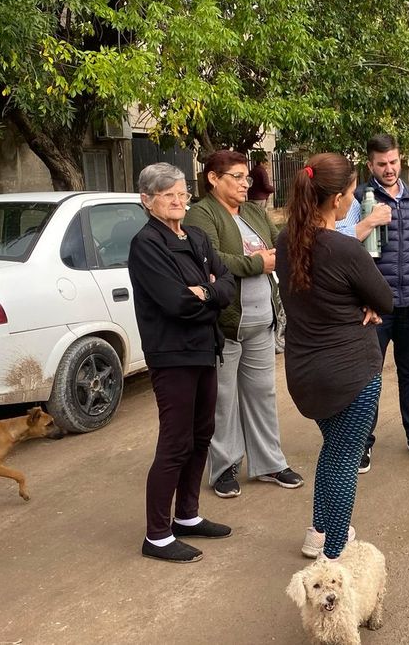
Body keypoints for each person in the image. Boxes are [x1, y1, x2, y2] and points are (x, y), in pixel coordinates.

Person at [275, 153, 393, 560]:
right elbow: (385, 299)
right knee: (344, 459)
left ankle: (319, 532)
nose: (354, 199)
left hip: (305, 373)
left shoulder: (286, 242)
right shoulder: (345, 248)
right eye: (352, 192)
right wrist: (367, 303)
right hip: (350, 374)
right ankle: (335, 556)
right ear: (338, 199)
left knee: (334, 449)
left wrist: (360, 301)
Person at [129, 162, 237, 563]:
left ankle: (187, 515)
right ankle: (157, 534)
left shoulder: (195, 236)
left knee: (202, 433)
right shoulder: (146, 244)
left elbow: (227, 284)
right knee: (175, 441)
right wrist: (209, 292)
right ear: (147, 200)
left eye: (182, 193)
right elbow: (175, 302)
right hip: (172, 354)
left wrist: (204, 292)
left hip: (204, 347)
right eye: (167, 195)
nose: (178, 201)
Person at [185, 150, 303, 499]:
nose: (244, 183)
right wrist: (256, 263)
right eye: (236, 177)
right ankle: (225, 467)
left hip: (262, 321)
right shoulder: (201, 214)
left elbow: (280, 244)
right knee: (223, 400)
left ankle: (269, 463)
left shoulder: (253, 211)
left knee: (263, 394)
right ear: (213, 178)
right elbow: (211, 259)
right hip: (226, 325)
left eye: (246, 177)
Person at [337, 134, 409, 472]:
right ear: (370, 165)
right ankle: (362, 443)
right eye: (381, 163)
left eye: (394, 162)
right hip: (374, 307)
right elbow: (339, 243)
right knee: (368, 377)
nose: (389, 169)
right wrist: (369, 221)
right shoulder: (358, 199)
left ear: (400, 161)